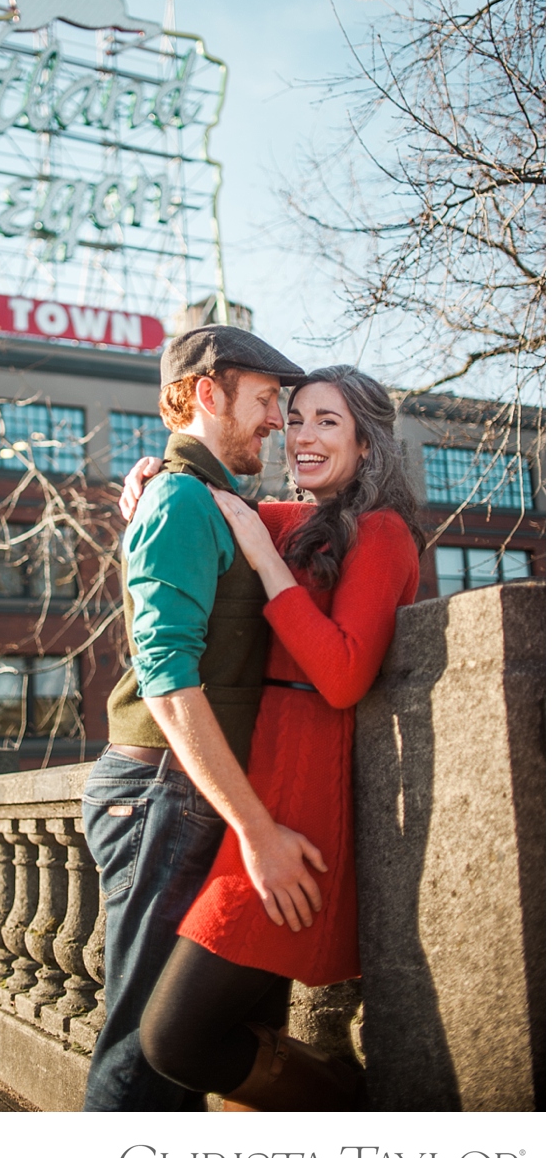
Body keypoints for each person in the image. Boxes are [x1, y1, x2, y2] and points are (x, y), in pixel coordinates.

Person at [118, 366, 423, 1110]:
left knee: (175, 1036)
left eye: (327, 420)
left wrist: (261, 555)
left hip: (298, 800)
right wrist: (150, 482)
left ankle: (351, 1101)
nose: (302, 435)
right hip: (250, 781)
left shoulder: (380, 532)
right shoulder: (286, 517)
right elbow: (195, 508)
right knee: (238, 1022)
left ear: (364, 438)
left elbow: (345, 673)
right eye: (293, 418)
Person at [82, 323, 324, 1112]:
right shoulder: (180, 501)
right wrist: (256, 829)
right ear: (206, 395)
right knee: (141, 1055)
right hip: (162, 791)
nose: (276, 422)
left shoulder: (205, 497)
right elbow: (165, 680)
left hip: (186, 791)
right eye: (262, 401)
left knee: (188, 1050)